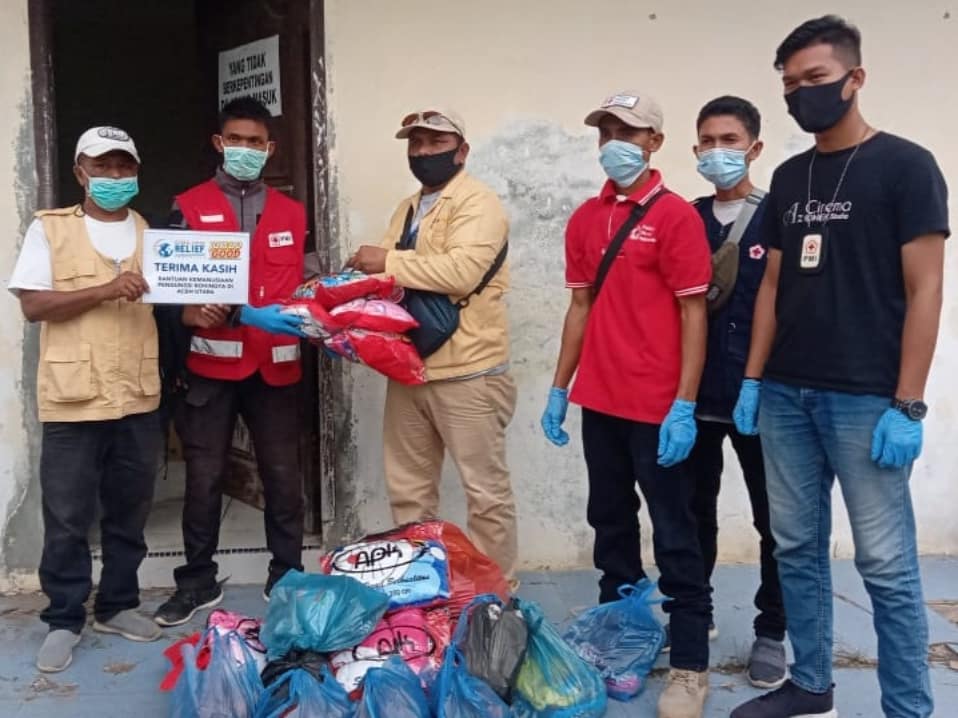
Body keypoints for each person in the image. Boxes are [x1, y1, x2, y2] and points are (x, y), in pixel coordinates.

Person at [730, 16, 948, 718]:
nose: (802, 95)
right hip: (788, 395)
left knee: (886, 566)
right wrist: (754, 382)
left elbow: (927, 289)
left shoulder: (908, 166)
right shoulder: (791, 177)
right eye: (790, 85)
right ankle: (812, 684)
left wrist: (908, 404)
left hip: (865, 401)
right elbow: (771, 286)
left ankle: (909, 708)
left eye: (816, 79)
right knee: (795, 545)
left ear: (855, 79)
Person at [540, 90, 713, 718]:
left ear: (655, 143)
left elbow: (694, 313)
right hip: (601, 402)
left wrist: (685, 403)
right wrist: (560, 388)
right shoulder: (587, 217)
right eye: (607, 129)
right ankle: (624, 639)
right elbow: (580, 308)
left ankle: (691, 664)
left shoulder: (675, 217)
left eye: (629, 131)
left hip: (657, 406)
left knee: (675, 533)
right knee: (609, 525)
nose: (615, 141)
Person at [8, 126, 163, 672]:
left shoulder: (148, 232)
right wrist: (103, 289)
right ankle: (64, 618)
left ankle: (117, 605)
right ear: (80, 173)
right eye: (102, 168)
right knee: (69, 517)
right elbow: (33, 306)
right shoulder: (48, 230)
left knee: (129, 511)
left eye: (124, 167)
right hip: (74, 400)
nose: (114, 177)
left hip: (136, 397)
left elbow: (169, 300)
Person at [347, 108, 518, 586]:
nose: (423, 153)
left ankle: (494, 598)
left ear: (461, 151)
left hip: (468, 372)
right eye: (415, 144)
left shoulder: (478, 203)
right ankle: (422, 589)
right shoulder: (407, 208)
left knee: (485, 494)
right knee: (409, 492)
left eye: (435, 143)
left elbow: (460, 272)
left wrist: (386, 261)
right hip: (410, 367)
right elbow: (387, 279)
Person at [154, 97, 308, 627]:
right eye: (235, 140)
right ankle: (196, 580)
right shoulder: (187, 206)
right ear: (220, 144)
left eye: (255, 142)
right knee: (203, 478)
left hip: (277, 368)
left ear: (271, 149)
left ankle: (287, 574)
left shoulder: (293, 213)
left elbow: (307, 285)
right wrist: (190, 314)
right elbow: (165, 290)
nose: (245, 149)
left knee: (283, 477)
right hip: (211, 369)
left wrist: (317, 310)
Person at [687, 96, 787, 689]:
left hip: (761, 396)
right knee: (692, 512)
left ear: (754, 147)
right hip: (695, 397)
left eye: (729, 140)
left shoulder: (779, 217)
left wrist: (764, 382)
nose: (717, 151)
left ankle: (772, 630)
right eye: (707, 140)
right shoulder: (686, 217)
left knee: (775, 520)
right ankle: (694, 618)